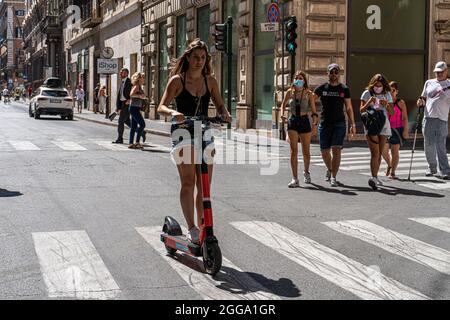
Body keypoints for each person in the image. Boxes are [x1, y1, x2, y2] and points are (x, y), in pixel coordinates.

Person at [157, 38, 231, 244]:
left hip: (204, 131)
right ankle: (191, 227)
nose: (199, 61)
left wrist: (225, 114)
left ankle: (204, 226)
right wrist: (174, 112)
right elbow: (161, 106)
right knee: (188, 181)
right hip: (182, 131)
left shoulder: (211, 81)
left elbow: (220, 106)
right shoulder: (177, 81)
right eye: (196, 57)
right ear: (188, 58)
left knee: (204, 184)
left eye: (203, 58)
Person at [314, 63, 356, 187]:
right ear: (327, 73)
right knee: (324, 151)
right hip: (325, 123)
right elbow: (310, 99)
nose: (333, 74)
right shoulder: (322, 88)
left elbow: (348, 108)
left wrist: (353, 124)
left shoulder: (344, 89)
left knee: (336, 149)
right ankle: (330, 169)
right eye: (331, 72)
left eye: (336, 72)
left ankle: (333, 177)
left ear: (339, 74)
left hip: (339, 123)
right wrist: (313, 115)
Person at [280, 70, 318, 187]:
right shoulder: (289, 92)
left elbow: (313, 110)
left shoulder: (308, 93)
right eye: (296, 78)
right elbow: (282, 105)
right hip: (293, 120)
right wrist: (282, 114)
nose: (298, 80)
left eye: (300, 78)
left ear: (304, 80)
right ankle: (294, 178)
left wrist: (314, 124)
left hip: (304, 121)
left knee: (306, 151)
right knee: (293, 151)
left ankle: (306, 172)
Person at [360, 74, 394, 190]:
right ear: (372, 84)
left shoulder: (387, 94)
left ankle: (375, 176)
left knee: (379, 153)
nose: (378, 87)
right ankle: (373, 177)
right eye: (376, 85)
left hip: (383, 124)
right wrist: (369, 101)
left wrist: (387, 105)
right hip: (371, 124)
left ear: (383, 85)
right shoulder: (367, 93)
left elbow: (392, 112)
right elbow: (361, 110)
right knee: (374, 153)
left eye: (380, 85)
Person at [417, 61, 450, 180]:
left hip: (442, 118)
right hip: (428, 117)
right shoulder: (429, 82)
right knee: (428, 144)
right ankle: (432, 168)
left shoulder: (449, 84)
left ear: (446, 71)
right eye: (437, 72)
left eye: (441, 72)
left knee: (441, 145)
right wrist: (420, 102)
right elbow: (423, 98)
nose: (439, 74)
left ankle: (445, 170)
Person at [382, 81, 409, 179]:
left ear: (396, 91)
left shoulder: (400, 103)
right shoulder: (384, 101)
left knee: (395, 152)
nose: (391, 92)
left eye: (393, 90)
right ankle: (389, 164)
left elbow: (405, 117)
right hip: (385, 129)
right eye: (389, 90)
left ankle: (393, 172)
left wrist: (405, 130)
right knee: (383, 151)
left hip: (397, 129)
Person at [128, 73, 147, 149]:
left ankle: (131, 143)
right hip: (134, 108)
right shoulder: (136, 86)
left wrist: (143, 97)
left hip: (135, 108)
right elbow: (131, 95)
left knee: (133, 127)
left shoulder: (139, 87)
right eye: (143, 77)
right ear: (139, 78)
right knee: (142, 124)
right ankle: (137, 142)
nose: (144, 79)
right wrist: (140, 96)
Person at [113, 68, 132, 144]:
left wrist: (130, 99)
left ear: (127, 74)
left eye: (122, 73)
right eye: (120, 72)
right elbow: (120, 96)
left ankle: (120, 138)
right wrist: (118, 107)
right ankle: (141, 132)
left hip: (127, 104)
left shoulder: (129, 82)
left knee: (120, 121)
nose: (120, 74)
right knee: (127, 121)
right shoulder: (122, 82)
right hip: (122, 104)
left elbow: (132, 91)